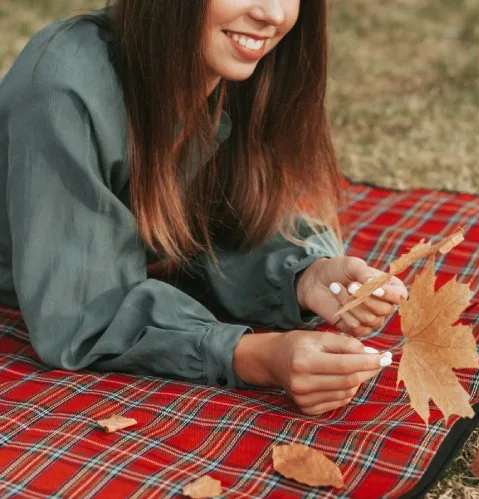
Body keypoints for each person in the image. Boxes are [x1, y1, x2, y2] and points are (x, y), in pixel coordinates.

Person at [0, 0, 408, 416]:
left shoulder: (237, 67)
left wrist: (304, 276)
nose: (273, 14)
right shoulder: (63, 85)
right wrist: (255, 356)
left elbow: (224, 216)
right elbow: (83, 313)